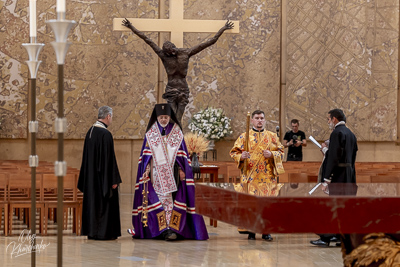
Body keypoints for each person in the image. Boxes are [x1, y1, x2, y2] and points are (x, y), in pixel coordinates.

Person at [121, 18, 234, 122]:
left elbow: (210, 41)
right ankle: (171, 141)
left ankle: (177, 142)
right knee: (171, 118)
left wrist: (223, 29)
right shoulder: (163, 55)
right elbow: (147, 39)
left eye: (173, 50)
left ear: (174, 47)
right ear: (166, 53)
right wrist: (131, 27)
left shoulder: (186, 53)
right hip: (171, 89)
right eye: (170, 53)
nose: (173, 53)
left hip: (183, 89)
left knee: (178, 119)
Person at [127, 103, 208, 241]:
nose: (163, 119)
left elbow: (182, 156)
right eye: (161, 117)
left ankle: (171, 229)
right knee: (158, 201)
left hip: (174, 175)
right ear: (157, 117)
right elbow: (146, 156)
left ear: (170, 117)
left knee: (171, 201)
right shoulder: (151, 133)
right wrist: (145, 170)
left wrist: (183, 170)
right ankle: (161, 230)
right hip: (155, 175)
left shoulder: (177, 132)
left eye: (165, 117)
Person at [230, 110, 285, 241]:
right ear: (252, 120)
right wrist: (241, 156)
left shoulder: (272, 136)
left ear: (265, 120)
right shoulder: (244, 136)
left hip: (267, 177)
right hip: (250, 176)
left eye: (262, 118)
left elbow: (281, 152)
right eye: (257, 118)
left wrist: (272, 155)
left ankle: (266, 232)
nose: (259, 120)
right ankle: (251, 232)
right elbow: (233, 152)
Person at [310, 108, 357, 247]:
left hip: (338, 175)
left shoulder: (336, 133)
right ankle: (340, 236)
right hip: (349, 175)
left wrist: (327, 179)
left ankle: (326, 238)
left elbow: (334, 157)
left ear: (334, 119)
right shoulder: (351, 134)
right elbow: (352, 156)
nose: (328, 122)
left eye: (328, 119)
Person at [78, 106, 122, 240]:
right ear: (108, 116)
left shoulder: (90, 132)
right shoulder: (105, 134)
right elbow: (109, 160)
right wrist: (113, 180)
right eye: (111, 117)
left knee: (93, 204)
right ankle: (104, 232)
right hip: (103, 180)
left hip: (92, 179)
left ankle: (92, 231)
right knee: (106, 203)